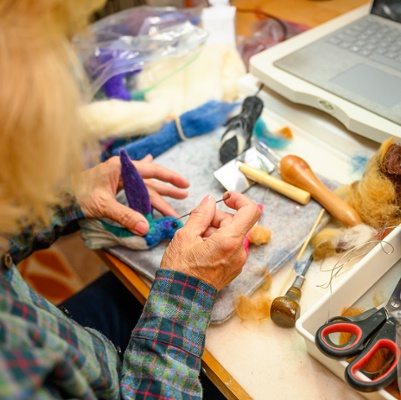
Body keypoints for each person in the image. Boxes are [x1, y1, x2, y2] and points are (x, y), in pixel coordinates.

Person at [0, 1, 261, 399]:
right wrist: (186, 291)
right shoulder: (15, 379)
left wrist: (71, 198)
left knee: (124, 292)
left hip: (74, 346)